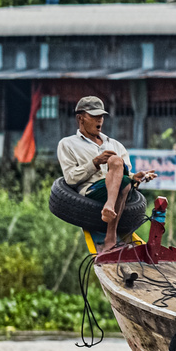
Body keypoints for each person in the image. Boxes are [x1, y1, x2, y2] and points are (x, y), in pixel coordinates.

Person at [57, 96, 154, 250]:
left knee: (117, 164)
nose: (99, 121)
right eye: (94, 116)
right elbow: (70, 178)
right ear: (80, 118)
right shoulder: (67, 144)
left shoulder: (116, 144)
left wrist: (136, 178)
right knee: (117, 166)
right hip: (92, 191)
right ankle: (110, 238)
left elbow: (126, 176)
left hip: (121, 188)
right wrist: (95, 163)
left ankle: (109, 208)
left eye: (101, 116)